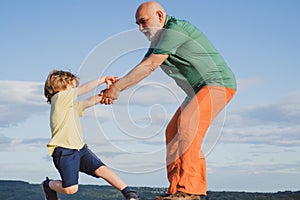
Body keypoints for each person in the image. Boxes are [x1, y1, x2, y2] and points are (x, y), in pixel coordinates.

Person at [100, 1, 237, 200]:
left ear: (160, 16)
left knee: (188, 124)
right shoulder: (158, 40)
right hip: (197, 90)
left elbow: (150, 66)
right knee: (172, 131)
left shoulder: (175, 30)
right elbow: (142, 66)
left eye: (144, 22)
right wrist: (115, 87)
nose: (140, 28)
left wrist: (117, 88)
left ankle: (191, 190)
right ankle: (176, 190)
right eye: (137, 24)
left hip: (217, 84)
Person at [42, 70, 140, 200]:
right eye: (72, 86)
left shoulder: (69, 105)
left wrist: (106, 95)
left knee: (102, 170)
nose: (75, 89)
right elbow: (84, 89)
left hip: (80, 149)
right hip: (64, 151)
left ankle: (130, 194)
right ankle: (48, 185)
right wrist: (103, 79)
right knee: (71, 189)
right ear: (60, 86)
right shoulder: (59, 98)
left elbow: (86, 103)